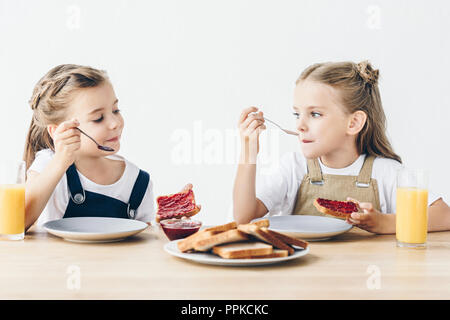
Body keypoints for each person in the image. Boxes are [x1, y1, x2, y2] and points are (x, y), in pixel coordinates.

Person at [233, 60, 450, 234]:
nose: (300, 125)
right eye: (297, 113)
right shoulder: (293, 168)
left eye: (315, 114)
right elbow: (244, 218)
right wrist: (248, 153)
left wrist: (385, 223)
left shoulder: (385, 172)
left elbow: (444, 215)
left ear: (354, 122)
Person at [23, 64, 155, 231]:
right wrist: (60, 162)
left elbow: (146, 238)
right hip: (58, 258)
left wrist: (172, 223)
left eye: (115, 110)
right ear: (58, 131)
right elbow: (16, 224)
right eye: (98, 118)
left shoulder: (137, 180)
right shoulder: (49, 165)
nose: (115, 123)